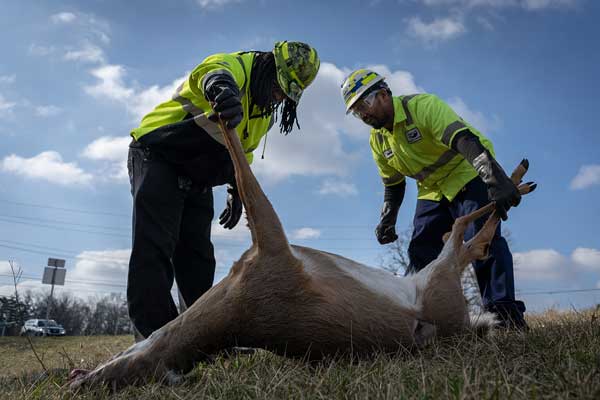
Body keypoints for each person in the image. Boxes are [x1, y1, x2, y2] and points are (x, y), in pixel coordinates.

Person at [127, 41, 320, 338]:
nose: (277, 97)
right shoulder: (237, 67)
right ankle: (153, 340)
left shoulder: (263, 115)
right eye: (278, 87)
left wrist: (236, 190)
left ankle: (200, 335)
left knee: (198, 259)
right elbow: (211, 71)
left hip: (197, 176)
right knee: (155, 248)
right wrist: (221, 88)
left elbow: (244, 152)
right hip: (159, 154)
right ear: (268, 66)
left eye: (284, 95)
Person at [341, 69, 527, 329]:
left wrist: (494, 178)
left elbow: (463, 140)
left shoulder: (423, 106)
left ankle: (504, 318)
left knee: (482, 240)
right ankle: (411, 321)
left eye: (365, 104)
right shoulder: (377, 141)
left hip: (468, 171)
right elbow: (393, 184)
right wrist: (387, 219)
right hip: (432, 189)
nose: (363, 114)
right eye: (357, 111)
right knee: (421, 249)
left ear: (383, 94)